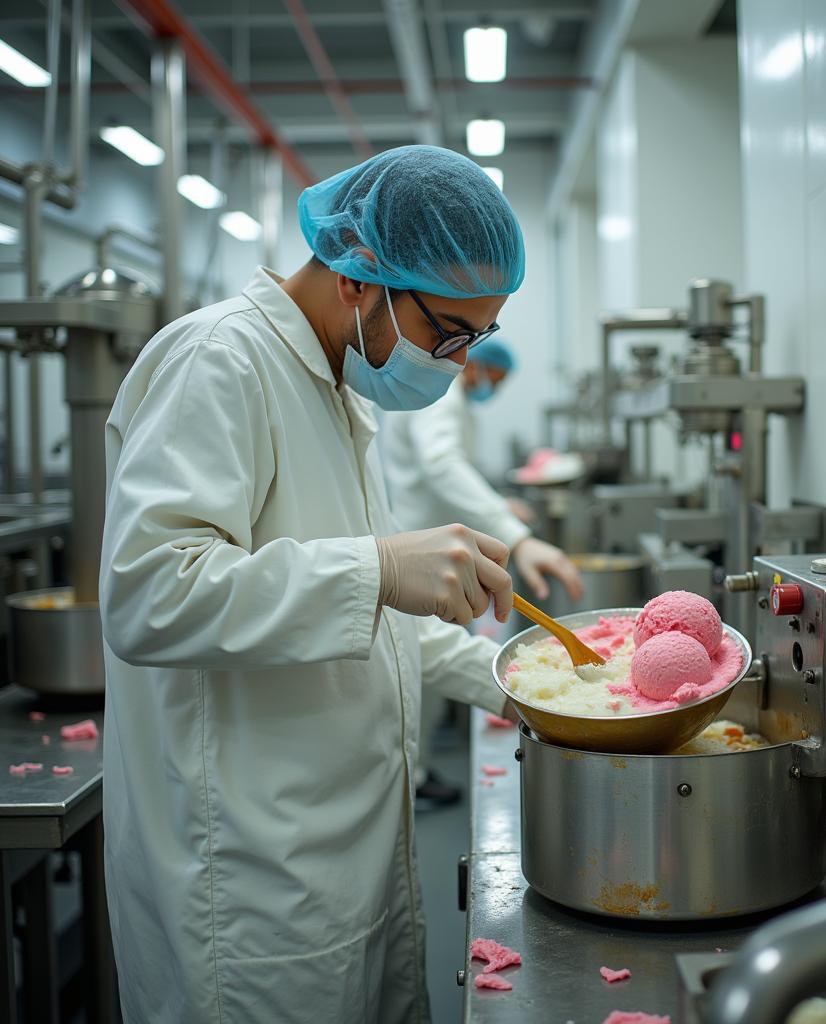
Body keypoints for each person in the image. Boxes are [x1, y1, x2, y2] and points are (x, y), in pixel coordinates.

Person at [99, 145, 526, 1023]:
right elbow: (148, 591)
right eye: (448, 330)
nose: (454, 360)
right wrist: (376, 567)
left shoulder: (338, 388)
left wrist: (517, 681)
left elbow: (360, 614)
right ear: (360, 279)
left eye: (476, 339)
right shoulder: (218, 361)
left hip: (341, 850)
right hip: (250, 881)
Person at [381, 337, 583, 809]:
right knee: (419, 670)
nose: (493, 386)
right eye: (494, 377)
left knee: (427, 659)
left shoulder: (443, 400)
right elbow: (443, 465)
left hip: (431, 546)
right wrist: (513, 532)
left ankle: (419, 766)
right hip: (423, 554)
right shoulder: (441, 397)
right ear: (476, 365)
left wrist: (496, 509)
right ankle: (416, 772)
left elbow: (451, 474)